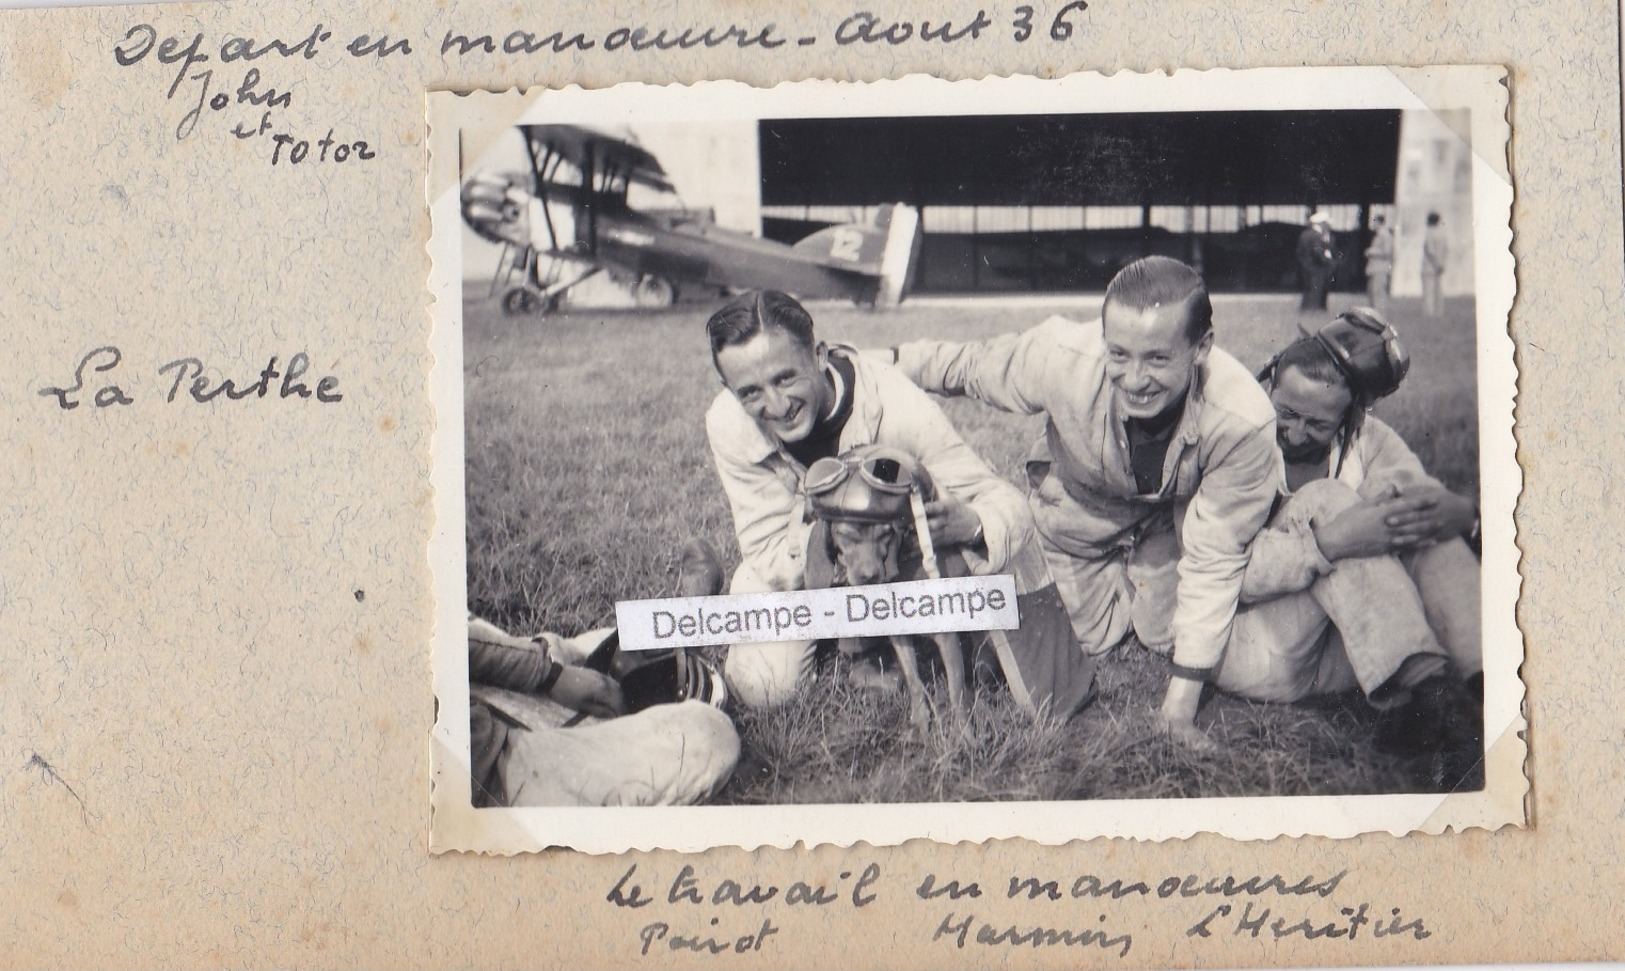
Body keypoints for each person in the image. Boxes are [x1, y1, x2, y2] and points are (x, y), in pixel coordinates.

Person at [893, 256, 1280, 747]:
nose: (1135, 379)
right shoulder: (1062, 356)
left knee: (1175, 640)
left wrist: (1179, 710)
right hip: (1076, 525)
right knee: (1071, 643)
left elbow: (1217, 557)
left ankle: (1144, 593)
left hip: (1166, 533)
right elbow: (970, 366)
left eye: (1157, 359)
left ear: (1201, 346)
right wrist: (880, 363)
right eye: (1118, 354)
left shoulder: (1243, 420)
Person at [703, 289, 1095, 719]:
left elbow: (1003, 502)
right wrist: (839, 535)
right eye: (750, 392)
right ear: (729, 390)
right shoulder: (728, 423)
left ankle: (872, 645)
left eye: (785, 378)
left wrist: (972, 524)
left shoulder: (894, 401)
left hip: (888, 559)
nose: (776, 405)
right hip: (796, 569)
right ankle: (857, 643)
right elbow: (766, 552)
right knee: (765, 687)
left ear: (818, 355)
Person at [1235, 309, 1483, 788]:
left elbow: (1423, 504)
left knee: (1408, 506)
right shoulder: (1236, 440)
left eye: (1318, 424)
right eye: (1286, 413)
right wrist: (1328, 542)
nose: (1295, 434)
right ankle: (1429, 693)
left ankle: (1481, 694)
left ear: (1351, 415)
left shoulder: (1365, 438)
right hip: (1258, 644)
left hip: (1352, 645)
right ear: (1269, 385)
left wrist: (1453, 513)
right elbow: (1220, 575)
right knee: (1328, 500)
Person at [467, 548, 740, 807]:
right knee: (708, 735)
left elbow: (452, 642)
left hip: (470, 702)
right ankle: (670, 672)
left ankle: (676, 644)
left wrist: (549, 674)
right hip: (485, 776)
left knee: (577, 647)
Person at [1296, 212, 1337, 312]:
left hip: (1306, 266)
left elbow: (1299, 252)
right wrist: (1327, 261)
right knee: (1316, 288)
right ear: (1320, 224)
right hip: (1316, 267)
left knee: (1308, 288)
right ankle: (1314, 309)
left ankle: (1305, 308)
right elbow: (1317, 251)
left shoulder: (1304, 234)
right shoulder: (1316, 236)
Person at [1363, 213, 1394, 309]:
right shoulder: (1379, 235)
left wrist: (1371, 251)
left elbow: (1387, 252)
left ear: (1379, 222)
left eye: (1374, 221)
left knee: (1378, 293)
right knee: (1372, 293)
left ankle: (1379, 315)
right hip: (1374, 268)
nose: (1373, 224)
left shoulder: (1385, 235)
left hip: (1380, 268)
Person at [1422, 211, 1448, 317]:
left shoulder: (1429, 233)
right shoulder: (1442, 233)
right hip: (1440, 266)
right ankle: (1439, 312)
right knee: (1438, 290)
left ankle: (1429, 313)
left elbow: (1430, 250)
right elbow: (1446, 250)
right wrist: (1441, 263)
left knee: (1428, 291)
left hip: (1429, 266)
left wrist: (1436, 263)